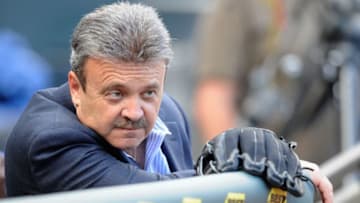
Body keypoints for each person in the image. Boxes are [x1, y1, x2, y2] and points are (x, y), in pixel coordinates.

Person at [5, 2, 333, 202]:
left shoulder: (170, 114)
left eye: (149, 92)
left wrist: (292, 170)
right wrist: (236, 171)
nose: (135, 112)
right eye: (116, 93)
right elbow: (145, 197)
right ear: (76, 87)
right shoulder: (47, 138)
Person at [194, 0, 340, 165]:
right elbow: (215, 98)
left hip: (344, 170)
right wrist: (234, 165)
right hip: (279, 174)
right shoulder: (240, 6)